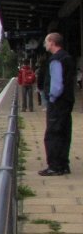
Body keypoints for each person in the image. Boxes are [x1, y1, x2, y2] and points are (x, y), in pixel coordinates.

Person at [39, 32, 75, 176]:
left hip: (57, 103)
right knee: (65, 134)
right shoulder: (67, 57)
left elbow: (57, 85)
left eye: (46, 42)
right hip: (67, 102)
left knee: (53, 134)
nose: (45, 45)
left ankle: (54, 166)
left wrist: (51, 99)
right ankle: (64, 165)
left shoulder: (55, 60)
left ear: (52, 42)